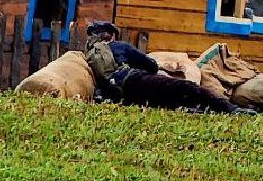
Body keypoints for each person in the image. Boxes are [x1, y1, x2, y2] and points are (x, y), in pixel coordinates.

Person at [84, 21, 240, 114]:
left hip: (119, 95)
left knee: (166, 101)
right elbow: (150, 66)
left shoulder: (89, 56)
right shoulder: (119, 46)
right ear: (111, 35)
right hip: (133, 81)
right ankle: (231, 109)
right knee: (186, 87)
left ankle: (198, 109)